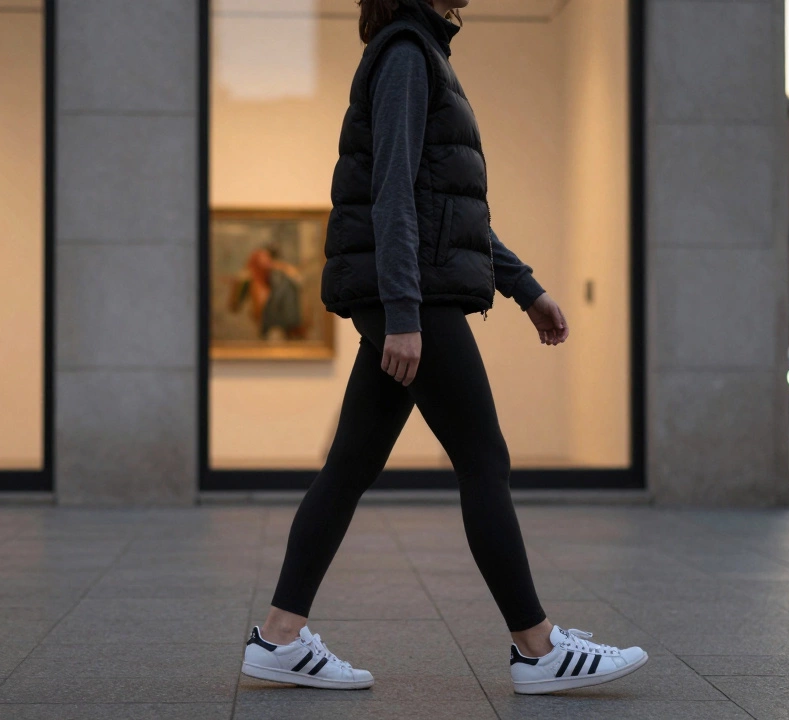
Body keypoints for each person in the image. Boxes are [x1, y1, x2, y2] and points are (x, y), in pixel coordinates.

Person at [240, 0, 648, 696]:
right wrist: (403, 312)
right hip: (416, 298)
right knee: (484, 459)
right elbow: (392, 191)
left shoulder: (420, 52)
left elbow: (444, 205)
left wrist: (523, 286)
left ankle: (278, 635)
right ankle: (537, 648)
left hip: (409, 294)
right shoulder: (406, 54)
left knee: (347, 468)